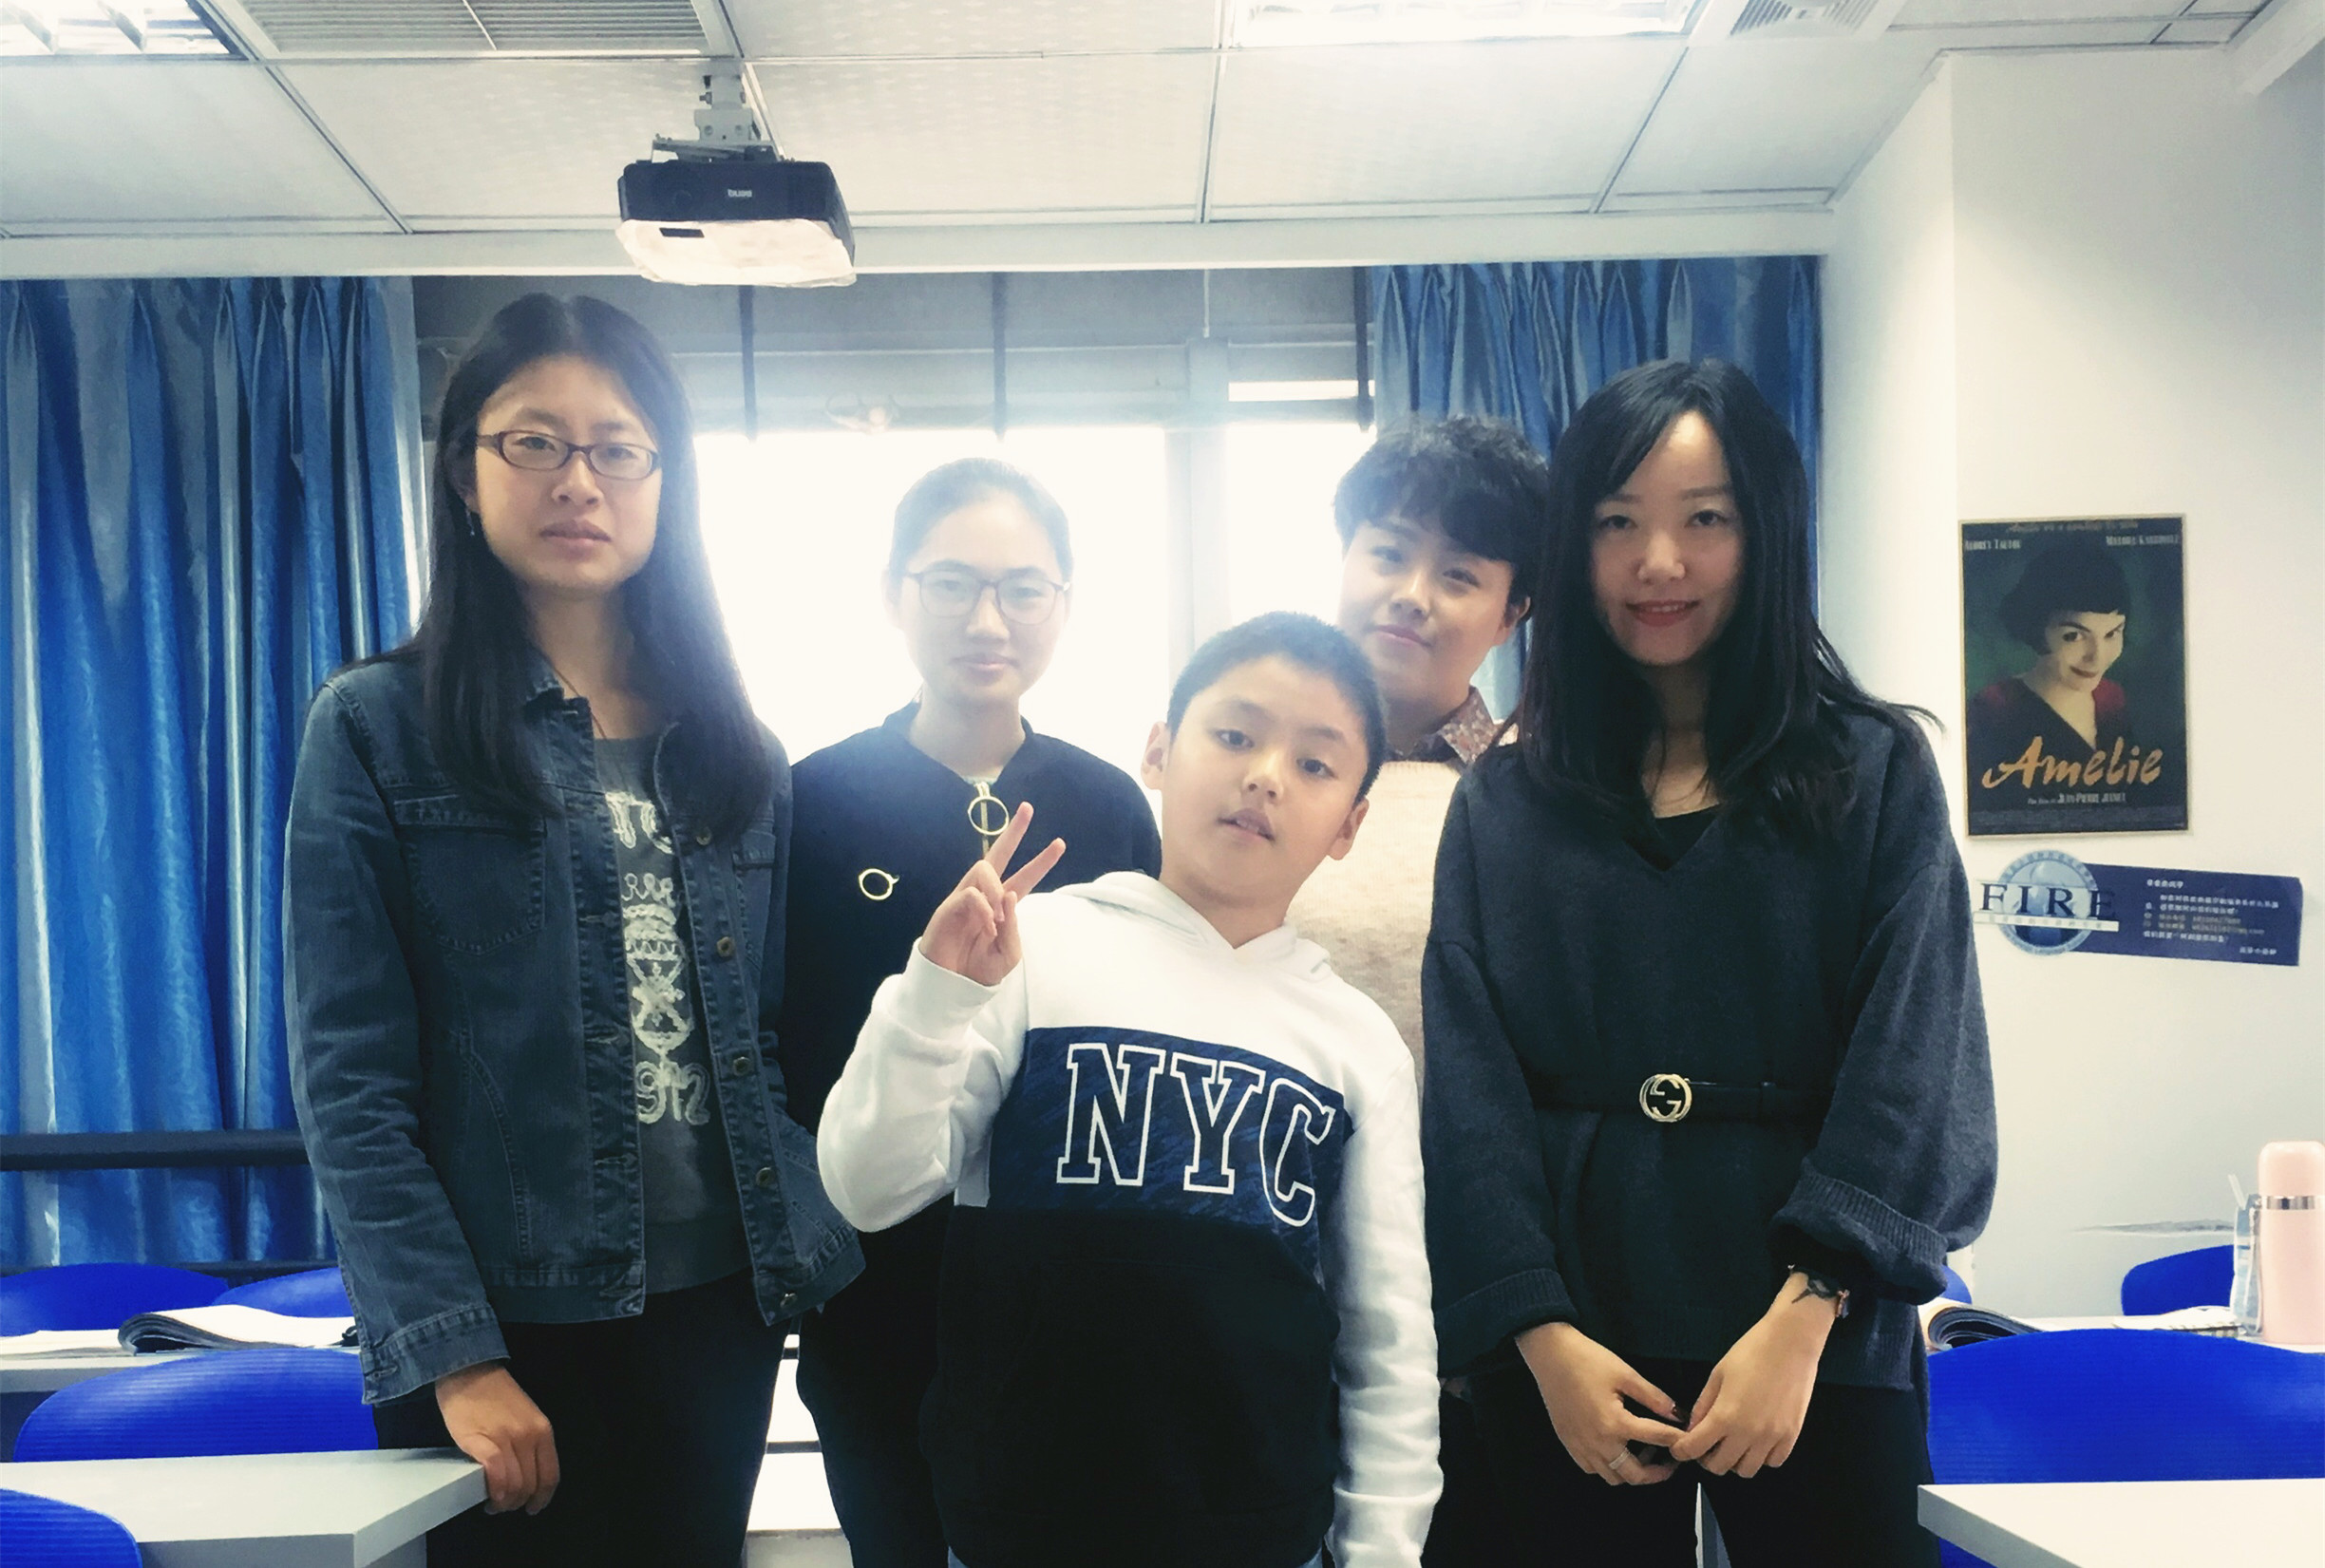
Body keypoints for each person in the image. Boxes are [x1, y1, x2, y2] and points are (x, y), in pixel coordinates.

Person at [284, 293, 860, 1568]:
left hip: (717, 1309)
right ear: (465, 473)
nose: (579, 480)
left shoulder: (738, 750)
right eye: (534, 441)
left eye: (618, 447)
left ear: (666, 480)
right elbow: (351, 1084)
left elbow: (760, 1041)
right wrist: (454, 1351)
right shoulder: (378, 726)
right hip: (509, 1327)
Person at [1422, 359, 1996, 1566]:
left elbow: (1915, 1060)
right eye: (1615, 522)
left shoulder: (1873, 772)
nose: (1658, 562)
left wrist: (1810, 1310)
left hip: (1815, 1342)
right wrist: (1538, 1335)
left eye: (1705, 519)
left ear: (1767, 530)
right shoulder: (1506, 803)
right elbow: (1471, 1094)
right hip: (1574, 1343)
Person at [817, 613, 1440, 1568]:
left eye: (1315, 763)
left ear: (1350, 824)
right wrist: (936, 996)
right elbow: (869, 1187)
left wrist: (1382, 1550)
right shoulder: (1030, 947)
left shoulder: (1356, 1044)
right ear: (1158, 750)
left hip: (1262, 1540)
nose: (1265, 774)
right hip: (1017, 1533)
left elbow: (1387, 1340)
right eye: (1234, 733)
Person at [778, 458, 1161, 1568]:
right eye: (951, 583)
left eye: (1023, 588)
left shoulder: (1108, 804)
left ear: (1063, 605)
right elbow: (774, 1043)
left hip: (1069, 1290)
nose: (988, 620)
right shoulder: (814, 797)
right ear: (894, 594)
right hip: (876, 1290)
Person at [1286, 416, 1549, 1565]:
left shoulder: (1540, 791)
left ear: (1514, 609)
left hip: (1478, 1295)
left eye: (1460, 574)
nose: (1410, 594)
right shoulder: (1254, 769)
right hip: (1273, 1268)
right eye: (1387, 552)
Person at [1967, 536, 2135, 805]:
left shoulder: (2112, 699)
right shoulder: (1995, 709)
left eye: (2112, 634)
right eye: (2073, 636)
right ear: (2037, 629)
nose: (2097, 657)